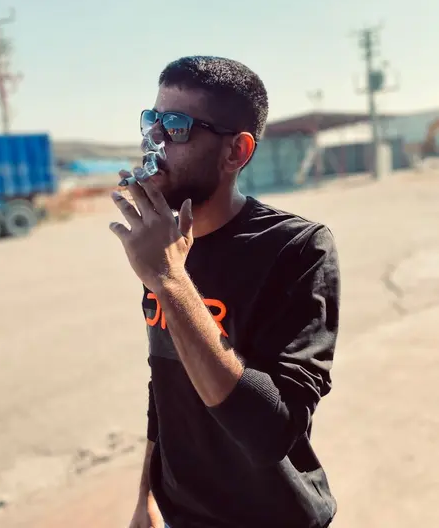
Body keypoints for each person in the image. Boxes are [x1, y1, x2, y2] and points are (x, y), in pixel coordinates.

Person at [109, 56, 340, 528]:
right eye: (152, 120)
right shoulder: (165, 247)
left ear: (236, 151)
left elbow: (271, 432)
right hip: (180, 516)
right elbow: (166, 386)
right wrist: (147, 496)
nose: (154, 140)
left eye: (176, 127)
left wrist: (170, 281)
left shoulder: (296, 248)